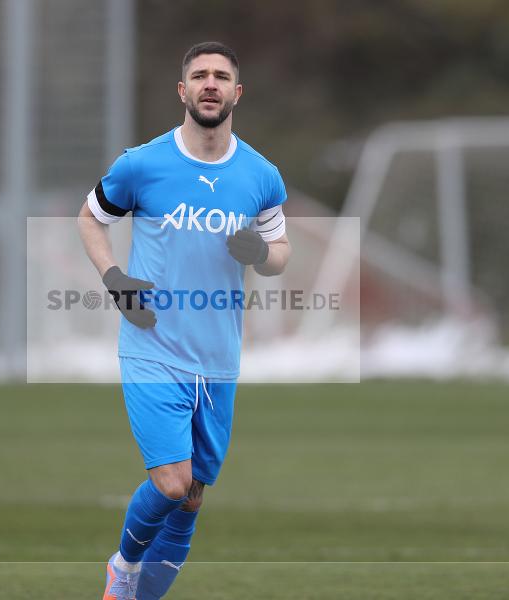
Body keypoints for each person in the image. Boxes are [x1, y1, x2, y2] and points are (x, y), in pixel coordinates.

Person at [77, 41, 291, 599]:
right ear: (184, 91)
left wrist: (260, 254)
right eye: (200, 75)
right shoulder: (142, 164)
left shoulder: (260, 175)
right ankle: (123, 567)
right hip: (152, 345)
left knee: (193, 493)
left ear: (237, 93)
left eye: (221, 76)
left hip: (218, 356)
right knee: (171, 482)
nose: (211, 83)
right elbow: (90, 218)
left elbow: (280, 252)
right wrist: (114, 279)